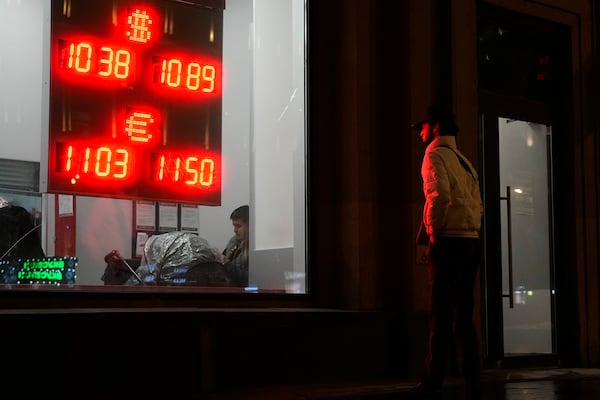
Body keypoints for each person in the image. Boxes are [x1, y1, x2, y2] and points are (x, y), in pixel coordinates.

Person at [410, 104, 484, 400]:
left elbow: (437, 195)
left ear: (436, 126)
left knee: (439, 313)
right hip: (470, 241)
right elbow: (479, 204)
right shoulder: (465, 162)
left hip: (449, 242)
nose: (420, 132)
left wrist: (433, 232)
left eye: (422, 126)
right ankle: (472, 379)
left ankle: (433, 379)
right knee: (464, 315)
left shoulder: (434, 155)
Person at [222, 205, 250, 286]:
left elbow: (250, 279)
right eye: (234, 226)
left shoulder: (256, 248)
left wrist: (228, 265)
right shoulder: (233, 241)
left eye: (238, 226)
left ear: (250, 225)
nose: (235, 230)